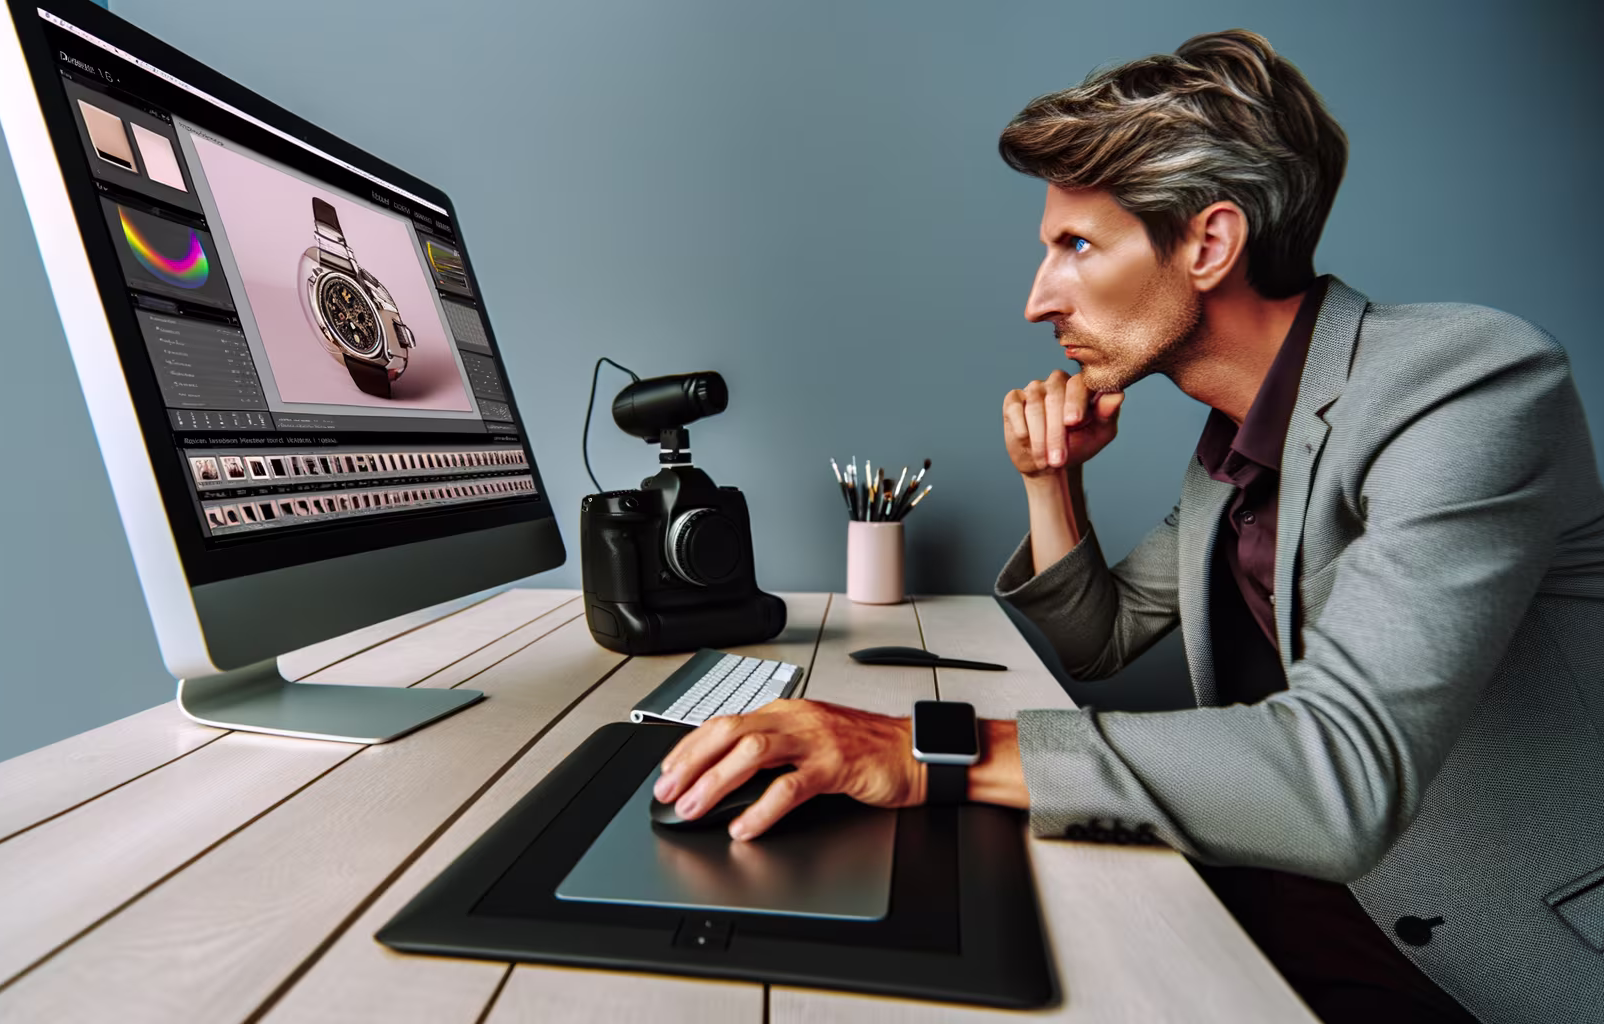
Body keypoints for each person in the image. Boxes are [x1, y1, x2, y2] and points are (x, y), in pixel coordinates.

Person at [653, 28, 1604, 1024]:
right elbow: (1096, 642)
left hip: (1467, 959)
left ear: (1208, 243)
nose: (1035, 301)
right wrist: (1049, 482)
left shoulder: (1468, 384)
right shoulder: (1236, 443)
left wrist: (916, 745)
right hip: (1262, 883)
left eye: (1075, 246)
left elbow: (1342, 772)